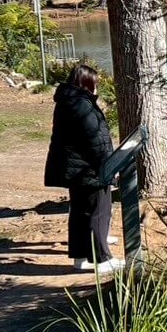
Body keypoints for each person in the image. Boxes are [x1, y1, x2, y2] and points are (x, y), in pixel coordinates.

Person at [44, 63, 123, 275]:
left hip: (76, 168)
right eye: (95, 84)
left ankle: (80, 258)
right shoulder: (82, 104)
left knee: (80, 213)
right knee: (97, 210)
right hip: (88, 169)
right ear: (87, 84)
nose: (97, 88)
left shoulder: (69, 100)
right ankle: (102, 259)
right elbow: (95, 140)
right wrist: (110, 165)